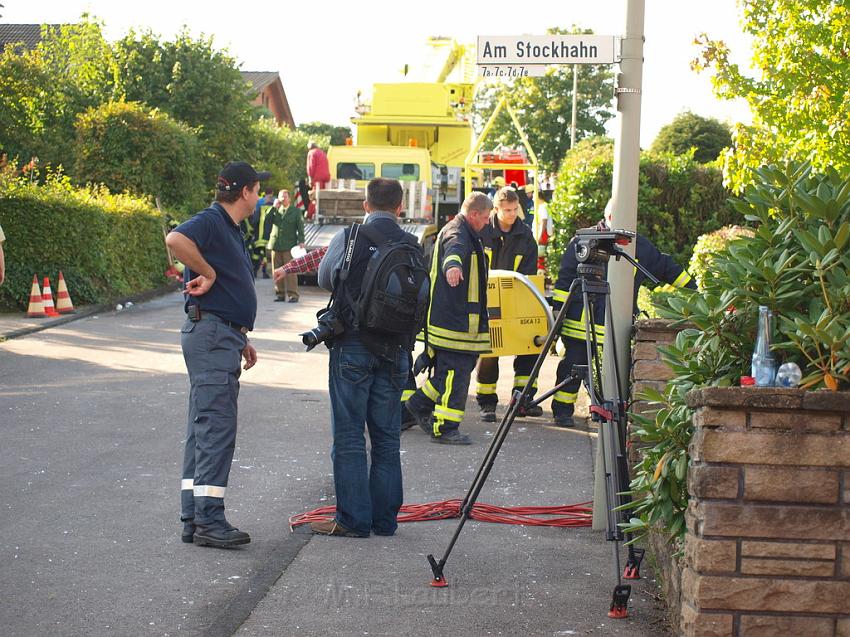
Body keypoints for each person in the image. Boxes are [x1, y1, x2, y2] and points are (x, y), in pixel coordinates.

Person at [165, 161, 268, 548]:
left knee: (203, 428)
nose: (259, 197)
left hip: (220, 334)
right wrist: (206, 272)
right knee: (215, 429)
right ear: (244, 192)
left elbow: (229, 292)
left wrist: (240, 336)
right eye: (257, 190)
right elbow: (175, 240)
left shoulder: (229, 228)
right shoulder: (212, 220)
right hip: (211, 337)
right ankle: (209, 519)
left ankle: (195, 517)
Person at [311, 177, 413, 537]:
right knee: (387, 438)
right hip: (396, 350)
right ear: (400, 207)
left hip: (353, 346)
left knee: (351, 435)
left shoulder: (351, 237)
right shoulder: (412, 244)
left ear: (366, 206)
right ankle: (385, 521)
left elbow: (326, 278)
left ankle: (353, 520)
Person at [549, 201, 697, 427]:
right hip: (582, 322)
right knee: (573, 367)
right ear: (607, 217)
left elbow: (666, 267)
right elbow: (565, 279)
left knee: (619, 372)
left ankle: (613, 410)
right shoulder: (584, 241)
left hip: (616, 324)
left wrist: (696, 290)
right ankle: (562, 411)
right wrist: (558, 313)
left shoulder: (638, 246)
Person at [404, 192, 492, 445]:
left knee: (447, 373)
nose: (487, 223)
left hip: (454, 321)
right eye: (485, 218)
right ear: (474, 214)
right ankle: (445, 428)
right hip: (455, 324)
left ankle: (418, 405)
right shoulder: (458, 232)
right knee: (457, 376)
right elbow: (455, 250)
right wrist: (453, 266)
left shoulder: (462, 230)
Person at [475, 187, 540, 422]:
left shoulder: (525, 236)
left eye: (515, 209)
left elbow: (529, 272)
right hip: (486, 300)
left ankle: (522, 399)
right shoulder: (483, 233)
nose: (512, 214)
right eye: (507, 210)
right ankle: (487, 403)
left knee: (527, 347)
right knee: (489, 352)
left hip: (516, 298)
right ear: (496, 209)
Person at [268, 189, 305, 302]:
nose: (283, 199)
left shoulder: (295, 211)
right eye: (281, 197)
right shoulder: (275, 211)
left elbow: (300, 227)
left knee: (290, 271)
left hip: (289, 245)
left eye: (285, 196)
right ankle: (280, 294)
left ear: (289, 198)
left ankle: (293, 294)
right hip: (276, 245)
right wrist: (274, 207)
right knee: (277, 271)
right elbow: (266, 220)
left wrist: (301, 240)